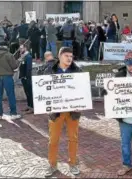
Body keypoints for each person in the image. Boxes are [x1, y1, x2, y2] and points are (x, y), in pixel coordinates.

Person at [44, 47, 82, 177]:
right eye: (66, 55)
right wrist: (46, 105)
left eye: (71, 56)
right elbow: (43, 89)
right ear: (59, 56)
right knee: (53, 139)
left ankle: (73, 164)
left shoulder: (78, 71)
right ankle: (52, 164)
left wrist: (81, 103)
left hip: (73, 111)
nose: (69, 58)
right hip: (56, 111)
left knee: (73, 138)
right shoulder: (50, 70)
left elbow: (83, 91)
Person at [0, 41, 21, 120]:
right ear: (6, 47)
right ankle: (13, 113)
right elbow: (14, 66)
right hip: (7, 77)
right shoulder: (8, 55)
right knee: (11, 95)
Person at [18, 44, 33, 113]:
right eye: (20, 48)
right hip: (23, 77)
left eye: (22, 48)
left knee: (29, 93)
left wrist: (27, 77)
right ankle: (28, 106)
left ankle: (31, 107)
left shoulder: (28, 56)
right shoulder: (23, 56)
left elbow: (29, 68)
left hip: (26, 78)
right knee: (26, 92)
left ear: (26, 48)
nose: (20, 50)